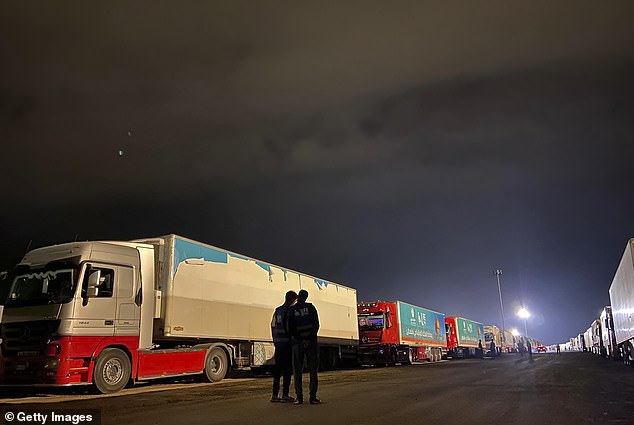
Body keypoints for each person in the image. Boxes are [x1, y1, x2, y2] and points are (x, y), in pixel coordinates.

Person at [289, 289, 320, 405]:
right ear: (306, 297)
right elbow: (316, 325)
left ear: (298, 297)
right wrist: (308, 339)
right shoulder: (311, 308)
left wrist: (301, 339)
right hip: (311, 343)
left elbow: (291, 327)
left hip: (298, 344)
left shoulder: (293, 310)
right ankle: (312, 397)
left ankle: (299, 398)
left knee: (297, 371)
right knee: (313, 370)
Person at [270, 290, 297, 403]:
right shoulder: (290, 311)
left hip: (278, 344)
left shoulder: (277, 311)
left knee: (277, 371)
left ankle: (275, 395)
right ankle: (285, 395)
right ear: (291, 300)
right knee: (287, 371)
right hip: (287, 345)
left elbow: (272, 326)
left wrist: (275, 340)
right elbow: (291, 328)